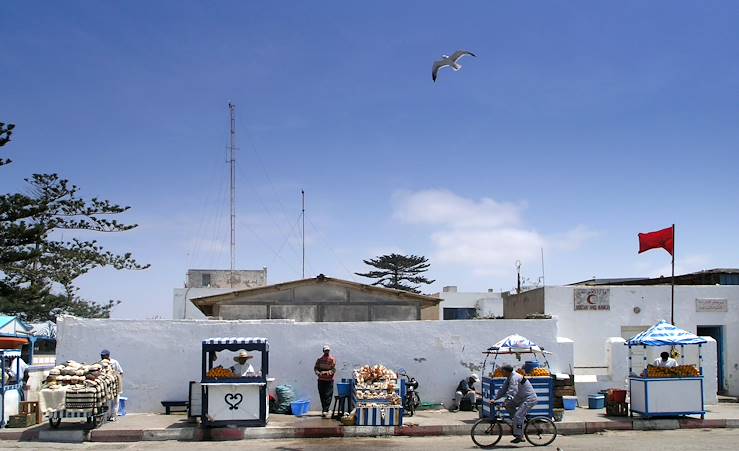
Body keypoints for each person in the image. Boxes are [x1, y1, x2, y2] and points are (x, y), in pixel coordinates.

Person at [494, 365, 538, 444]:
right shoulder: (509, 377)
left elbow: (512, 391)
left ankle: (519, 436)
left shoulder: (514, 377)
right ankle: (517, 423)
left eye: (502, 371)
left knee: (518, 415)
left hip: (529, 398)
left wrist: (506, 400)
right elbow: (502, 389)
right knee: (509, 406)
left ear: (507, 371)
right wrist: (494, 399)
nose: (501, 373)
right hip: (521, 398)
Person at [100, 349, 124, 421]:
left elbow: (121, 372)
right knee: (107, 400)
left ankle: (113, 416)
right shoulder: (101, 363)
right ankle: (106, 416)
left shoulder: (114, 362)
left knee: (115, 401)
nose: (102, 357)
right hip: (106, 384)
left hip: (115, 384)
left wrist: (118, 380)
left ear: (107, 356)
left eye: (103, 356)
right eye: (101, 356)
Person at [314, 344, 336, 418]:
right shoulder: (319, 360)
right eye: (325, 350)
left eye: (328, 350)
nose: (327, 352)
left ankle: (326, 410)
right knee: (322, 395)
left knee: (328, 395)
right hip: (321, 380)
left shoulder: (332, 359)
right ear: (323, 351)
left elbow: (333, 369)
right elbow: (316, 368)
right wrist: (319, 373)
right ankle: (324, 409)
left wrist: (327, 373)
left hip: (329, 380)